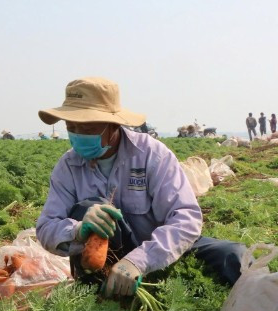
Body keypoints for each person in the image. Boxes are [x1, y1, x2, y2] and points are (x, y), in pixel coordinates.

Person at [35, 77, 245, 297]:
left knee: (231, 256)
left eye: (87, 127)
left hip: (158, 251)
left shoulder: (152, 155)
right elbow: (46, 227)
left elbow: (186, 218)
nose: (77, 134)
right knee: (90, 208)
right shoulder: (68, 167)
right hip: (105, 260)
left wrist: (139, 261)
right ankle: (99, 291)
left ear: (113, 125)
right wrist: (77, 230)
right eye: (71, 126)